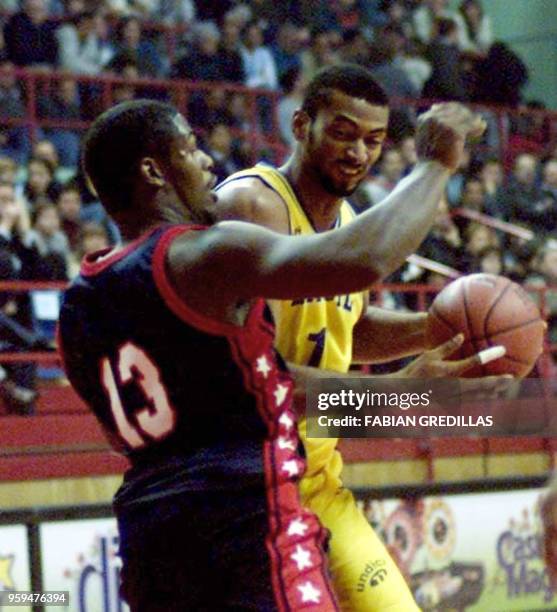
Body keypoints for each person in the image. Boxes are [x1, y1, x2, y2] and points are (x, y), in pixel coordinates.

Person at [58, 98, 492, 611]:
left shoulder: (77, 304)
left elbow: (256, 387)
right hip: (246, 526)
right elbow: (361, 259)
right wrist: (435, 164)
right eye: (191, 150)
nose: (206, 165)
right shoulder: (205, 253)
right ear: (154, 171)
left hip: (151, 542)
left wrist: (414, 361)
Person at [214, 64, 488, 611]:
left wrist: (437, 329)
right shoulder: (254, 205)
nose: (358, 153)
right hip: (243, 487)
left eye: (373, 141)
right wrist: (397, 396)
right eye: (343, 133)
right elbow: (259, 377)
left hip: (317, 482)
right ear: (301, 125)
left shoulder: (345, 218)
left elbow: (345, 327)